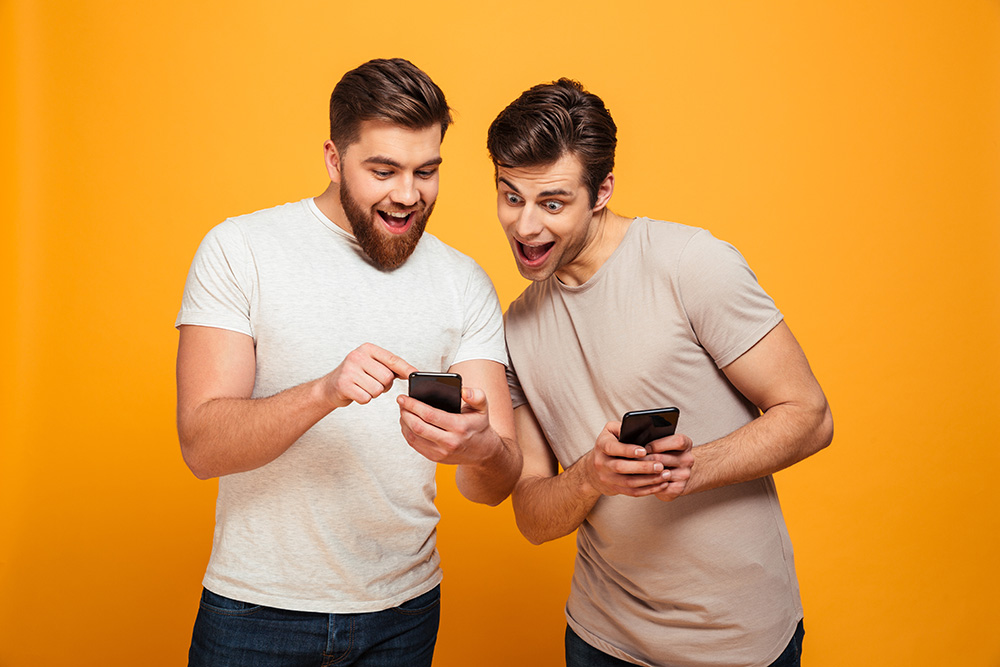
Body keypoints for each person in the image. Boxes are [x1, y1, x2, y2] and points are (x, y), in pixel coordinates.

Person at [175, 58, 521, 667]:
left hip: (405, 612)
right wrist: (324, 392)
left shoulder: (463, 281)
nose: (408, 195)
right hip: (258, 611)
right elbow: (202, 446)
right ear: (334, 160)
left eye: (426, 171)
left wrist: (481, 447)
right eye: (383, 171)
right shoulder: (240, 250)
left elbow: (495, 482)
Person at [487, 79, 833, 667]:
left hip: (738, 639)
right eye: (510, 197)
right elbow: (533, 517)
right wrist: (589, 478)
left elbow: (811, 417)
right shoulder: (514, 330)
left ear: (602, 191)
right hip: (601, 639)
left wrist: (689, 468)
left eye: (552, 203)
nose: (524, 227)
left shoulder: (690, 264)